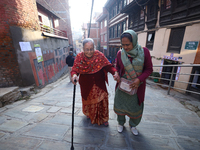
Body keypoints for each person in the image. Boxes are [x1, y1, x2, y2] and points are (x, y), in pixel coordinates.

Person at [71, 38, 119, 126]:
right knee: (90, 102)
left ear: (94, 47)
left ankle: (104, 118)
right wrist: (74, 75)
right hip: (86, 85)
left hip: (99, 84)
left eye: (91, 49)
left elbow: (108, 66)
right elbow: (75, 69)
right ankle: (90, 115)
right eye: (87, 49)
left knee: (103, 101)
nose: (89, 52)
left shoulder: (99, 55)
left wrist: (114, 72)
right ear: (83, 49)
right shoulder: (79, 57)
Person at [113, 30, 153, 135]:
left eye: (128, 44)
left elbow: (149, 69)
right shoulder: (120, 53)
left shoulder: (144, 52)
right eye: (123, 45)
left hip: (137, 87)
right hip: (122, 87)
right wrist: (116, 74)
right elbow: (117, 67)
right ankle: (120, 123)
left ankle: (133, 125)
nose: (125, 47)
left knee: (135, 107)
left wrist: (139, 79)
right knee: (120, 106)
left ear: (134, 41)